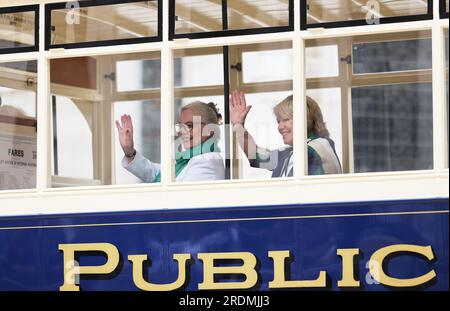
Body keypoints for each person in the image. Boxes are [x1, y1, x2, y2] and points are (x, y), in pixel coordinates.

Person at [230, 90, 342, 177]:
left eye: (285, 119)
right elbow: (255, 156)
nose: (280, 127)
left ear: (305, 118)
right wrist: (238, 126)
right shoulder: (291, 153)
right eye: (279, 121)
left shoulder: (320, 146)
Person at [116, 101, 225, 182]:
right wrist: (129, 150)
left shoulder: (207, 160)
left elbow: (179, 199)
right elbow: (155, 172)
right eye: (181, 126)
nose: (182, 132)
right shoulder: (187, 160)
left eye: (189, 125)